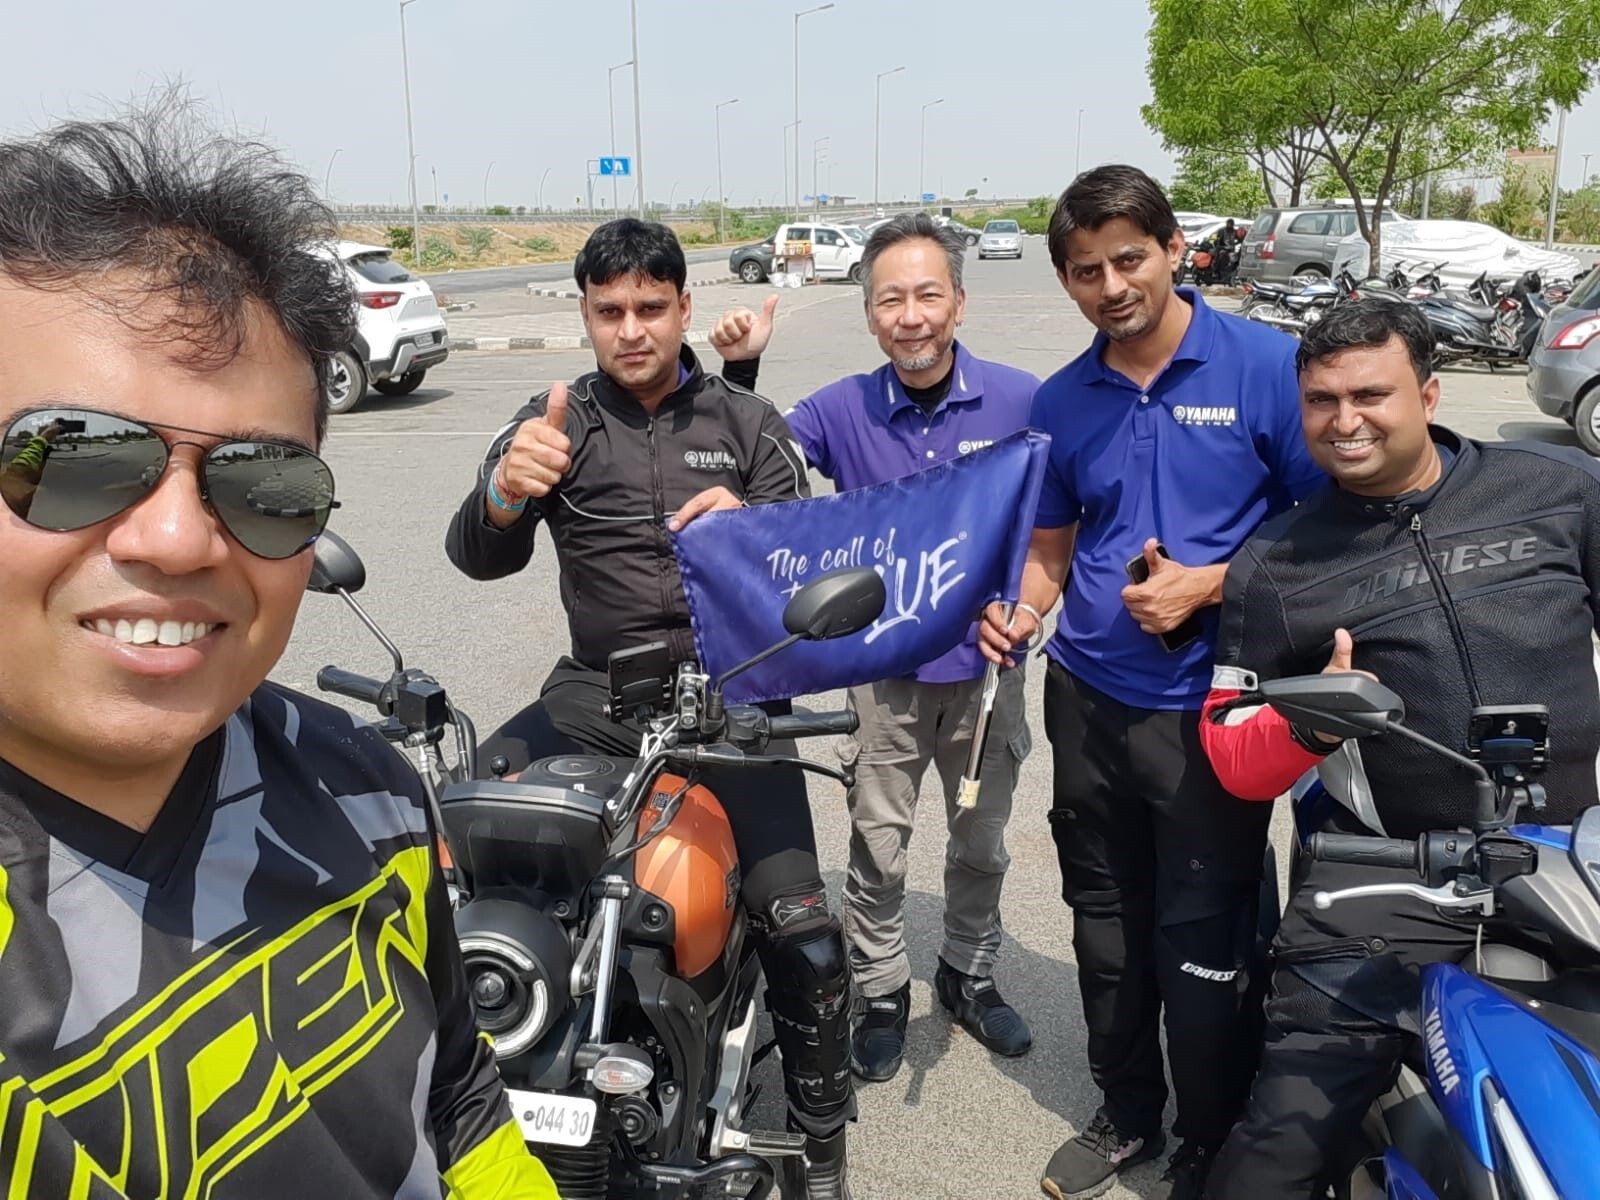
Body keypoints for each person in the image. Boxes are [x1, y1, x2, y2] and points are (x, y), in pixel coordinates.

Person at [0, 102, 558, 1198]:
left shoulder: (370, 792)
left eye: (264, 483)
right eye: (74, 458)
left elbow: (458, 1094)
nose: (177, 539)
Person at [443, 217, 857, 1199]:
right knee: (447, 850)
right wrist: (503, 493)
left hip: (734, 707)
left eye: (649, 308)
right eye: (609, 311)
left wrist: (753, 531)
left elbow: (806, 564)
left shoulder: (747, 424)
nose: (630, 329)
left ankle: (819, 1136)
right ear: (587, 316)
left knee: (803, 933)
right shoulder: (555, 421)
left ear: (682, 308)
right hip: (593, 697)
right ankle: (456, 1086)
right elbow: (476, 556)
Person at [975, 164, 1325, 1200]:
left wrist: (1210, 584)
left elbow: (1324, 533)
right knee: (1105, 918)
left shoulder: (1266, 367)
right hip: (1086, 695)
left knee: (1205, 935)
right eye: (1086, 271)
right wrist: (1023, 611)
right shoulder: (1063, 398)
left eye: (1129, 259)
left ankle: (1212, 1132)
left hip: (1214, 706)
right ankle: (1128, 1111)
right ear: (1065, 281)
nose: (1111, 286)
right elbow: (1051, 546)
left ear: (1175, 249)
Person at [1198, 299, 1600, 1197]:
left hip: (1576, 855)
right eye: (1322, 400)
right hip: (1387, 877)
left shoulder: (1560, 490)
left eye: (1370, 395)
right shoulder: (1276, 564)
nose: (1345, 421)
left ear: (1428, 393)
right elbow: (1228, 750)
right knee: (1280, 1145)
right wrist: (1313, 724)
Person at [707, 212, 1041, 1084]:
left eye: (929, 295)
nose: (912, 316)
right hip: (882, 679)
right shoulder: (840, 408)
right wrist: (742, 370)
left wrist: (1033, 609)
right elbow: (756, 465)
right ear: (868, 315)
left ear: (959, 302)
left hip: (988, 677)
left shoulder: (1023, 402)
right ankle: (883, 988)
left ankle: (968, 974)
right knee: (878, 848)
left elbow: (1063, 525)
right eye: (891, 300)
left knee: (981, 844)